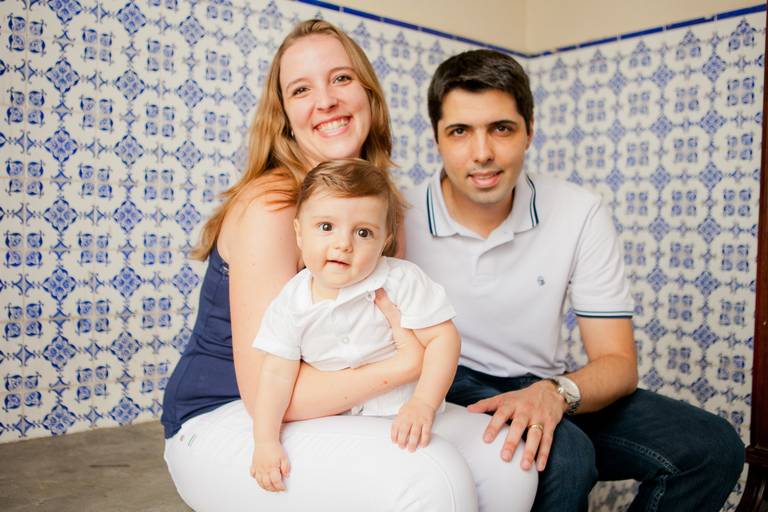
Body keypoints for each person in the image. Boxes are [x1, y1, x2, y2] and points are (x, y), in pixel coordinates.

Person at [161, 20, 537, 512]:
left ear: (369, 97)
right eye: (301, 89)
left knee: (505, 457)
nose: (326, 100)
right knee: (429, 475)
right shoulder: (273, 208)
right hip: (233, 418)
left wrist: (415, 386)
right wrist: (405, 365)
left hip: (344, 401)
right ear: (284, 118)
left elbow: (404, 332)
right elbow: (268, 396)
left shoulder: (381, 211)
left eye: (340, 79)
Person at [403, 48, 745, 512]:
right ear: (437, 139)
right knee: (566, 457)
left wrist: (554, 393)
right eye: (460, 131)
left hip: (541, 383)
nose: (482, 153)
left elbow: (617, 363)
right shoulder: (398, 217)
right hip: (448, 387)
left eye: (501, 128)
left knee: (713, 446)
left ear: (529, 131)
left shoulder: (578, 211)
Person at [251, 159, 461, 492]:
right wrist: (265, 441)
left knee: (458, 468)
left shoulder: (400, 280)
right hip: (334, 424)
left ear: (385, 239)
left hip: (407, 413)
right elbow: (276, 373)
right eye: (325, 227)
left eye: (363, 232)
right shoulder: (292, 302)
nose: (343, 244)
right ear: (299, 232)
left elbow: (443, 339)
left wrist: (424, 402)